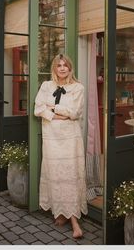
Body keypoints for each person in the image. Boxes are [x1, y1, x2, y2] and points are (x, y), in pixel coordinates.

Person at [34, 54, 88, 238]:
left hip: (70, 139)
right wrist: (59, 114)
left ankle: (74, 221)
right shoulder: (46, 86)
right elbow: (38, 109)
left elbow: (75, 112)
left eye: (66, 65)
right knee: (56, 175)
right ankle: (62, 213)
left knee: (70, 175)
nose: (62, 68)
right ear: (54, 68)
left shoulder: (78, 87)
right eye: (59, 65)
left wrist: (53, 108)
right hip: (52, 139)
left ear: (70, 68)